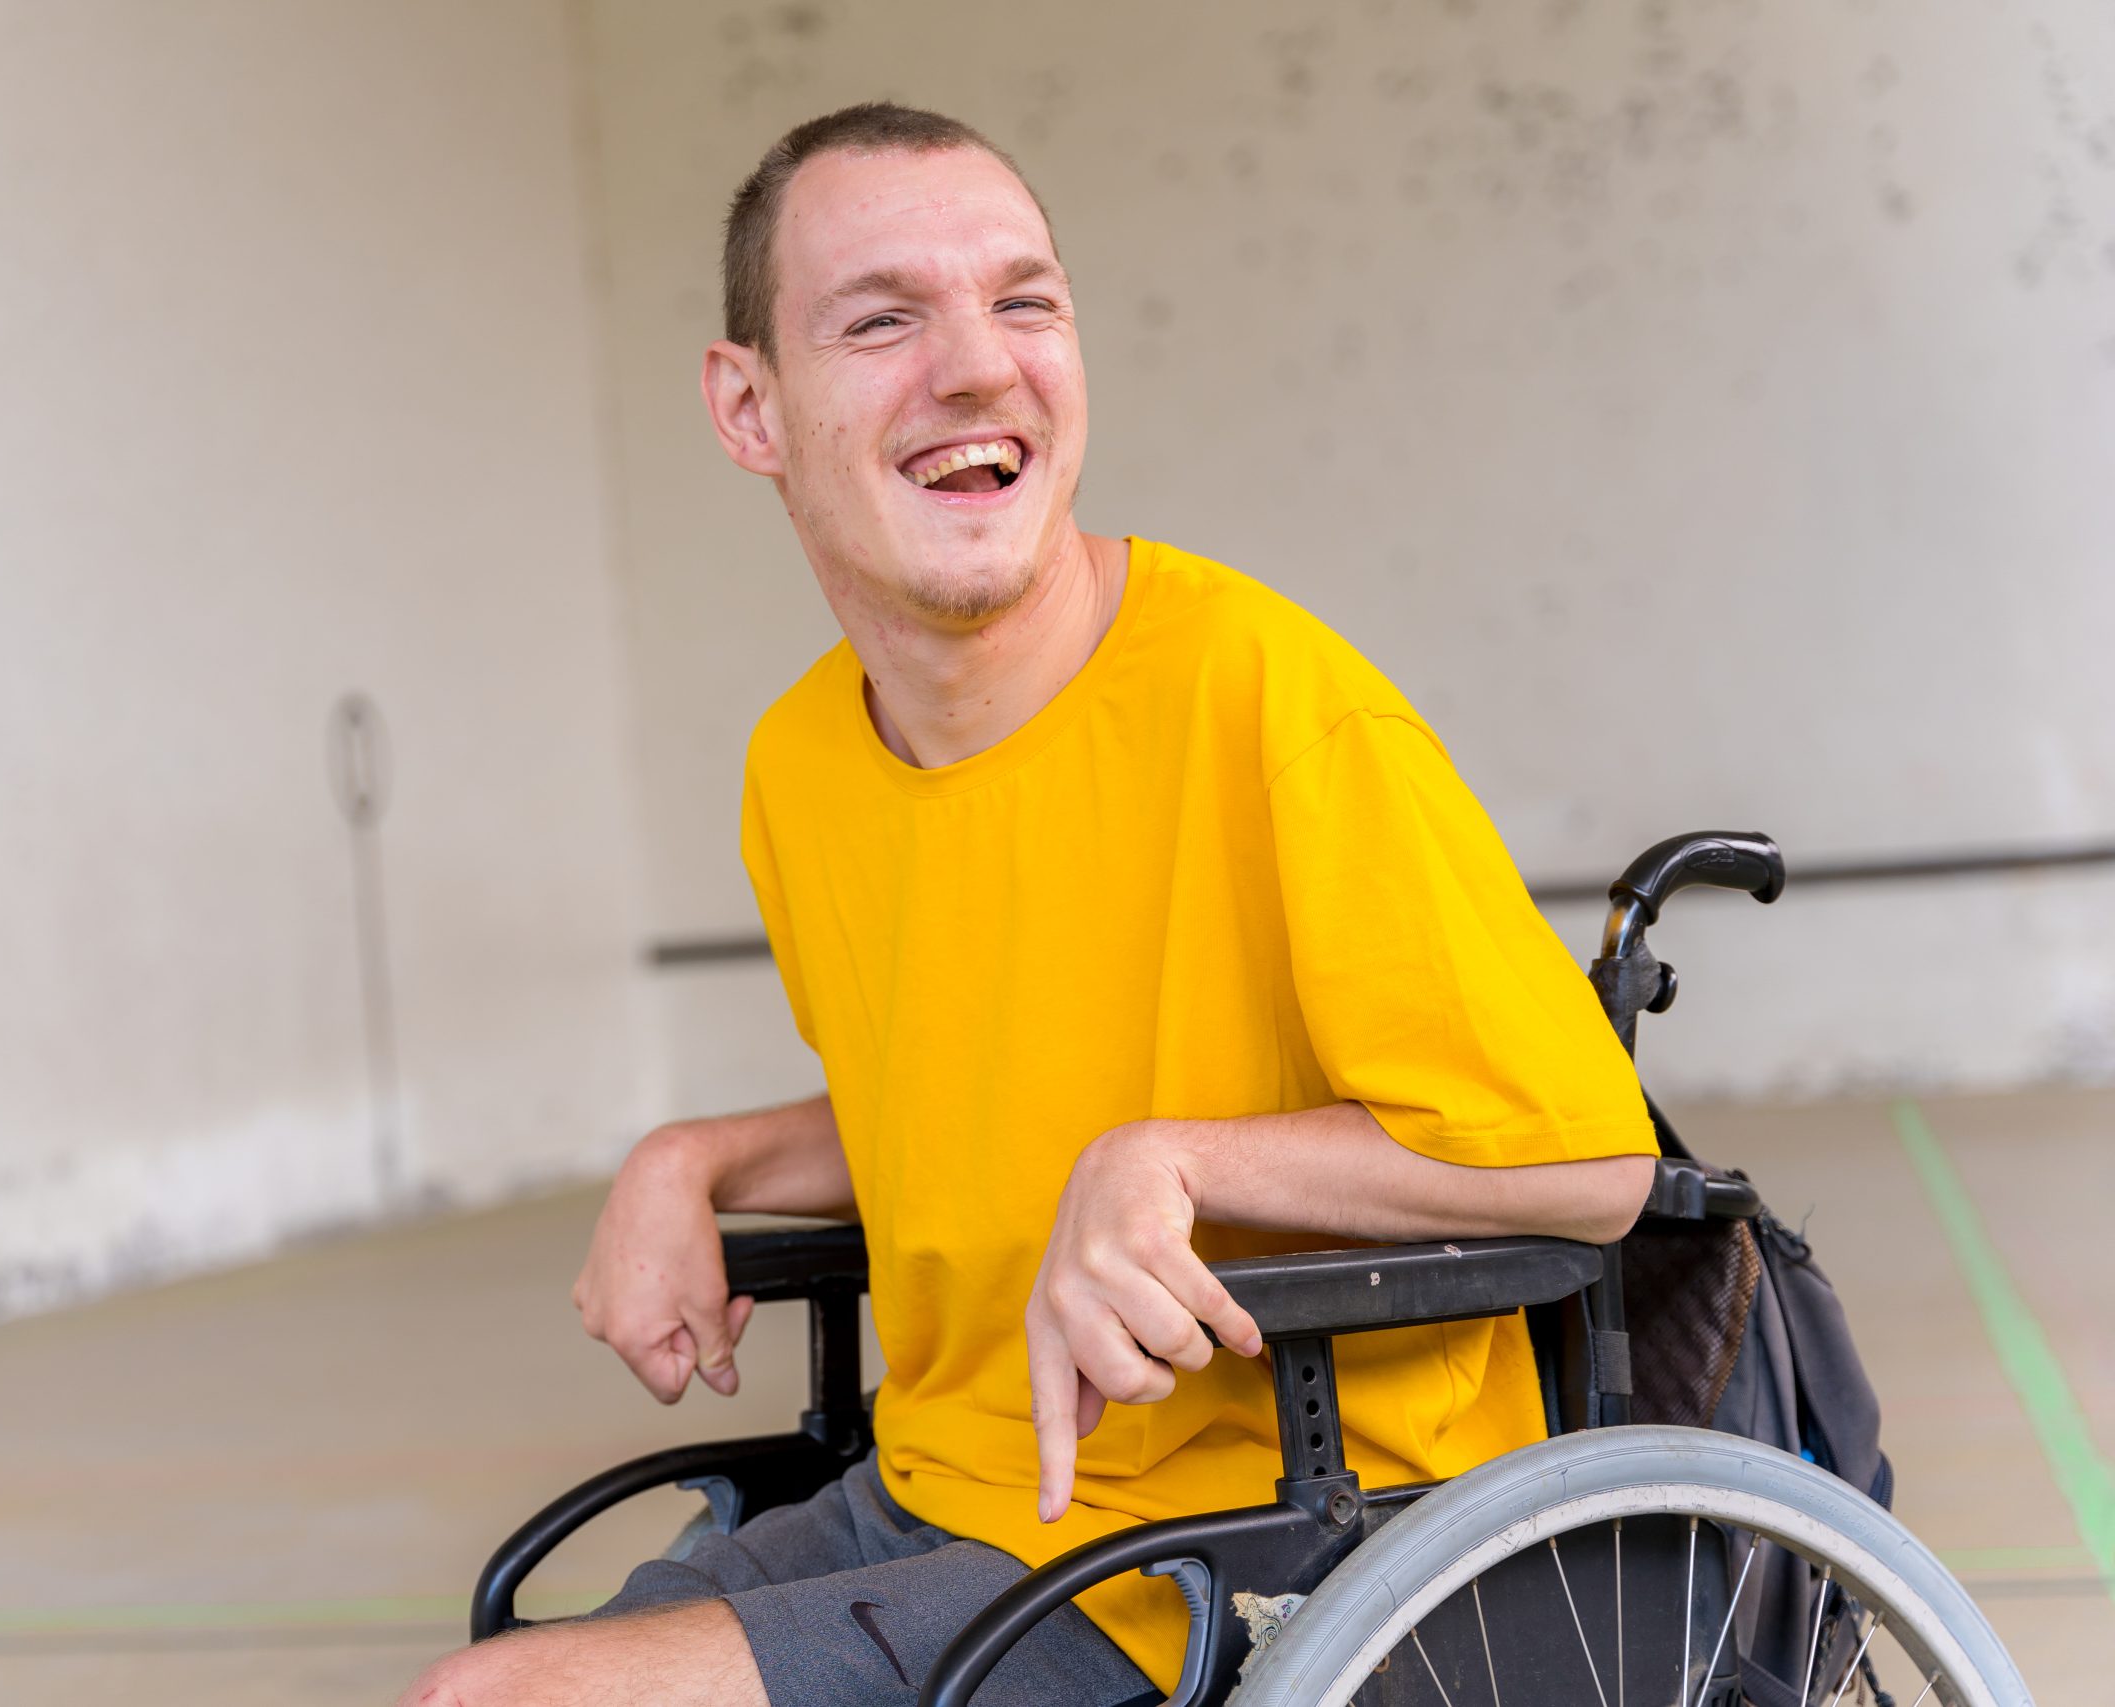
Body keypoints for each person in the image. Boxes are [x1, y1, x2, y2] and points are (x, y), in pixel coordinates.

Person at [406, 102, 1654, 1707]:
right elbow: (955, 1110)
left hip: (1254, 1540)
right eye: (881, 320)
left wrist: (1173, 1163)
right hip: (936, 1493)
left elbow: (1591, 1160)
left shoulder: (1268, 703)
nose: (979, 366)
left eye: (1025, 301)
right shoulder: (798, 767)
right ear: (750, 407)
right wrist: (695, 1160)